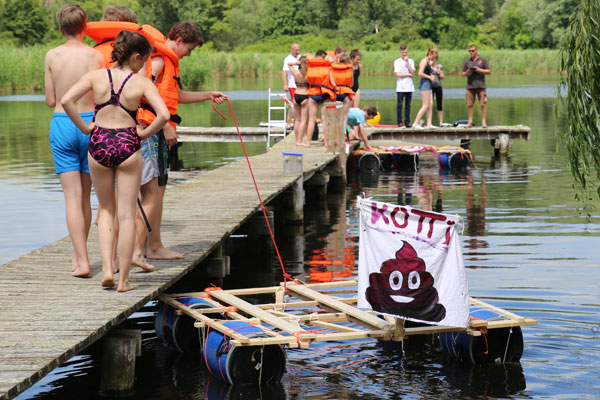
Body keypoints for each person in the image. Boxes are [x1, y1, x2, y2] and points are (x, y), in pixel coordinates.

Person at [61, 31, 169, 292]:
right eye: (143, 61)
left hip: (98, 142)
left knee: (106, 211)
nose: (143, 65)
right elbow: (163, 114)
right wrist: (144, 133)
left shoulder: (96, 76)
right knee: (127, 215)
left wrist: (86, 128)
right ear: (135, 57)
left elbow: (66, 100)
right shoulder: (141, 83)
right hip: (128, 144)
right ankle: (123, 282)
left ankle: (108, 271)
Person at [134, 21, 227, 267]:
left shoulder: (169, 64)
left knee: (159, 191)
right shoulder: (159, 60)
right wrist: (163, 124)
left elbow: (174, 96)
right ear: (178, 40)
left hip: (158, 132)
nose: (188, 54)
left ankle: (153, 246)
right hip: (150, 131)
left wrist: (208, 95)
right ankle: (140, 249)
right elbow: (143, 89)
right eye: (189, 49)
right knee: (150, 192)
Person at [44, 4, 105, 278]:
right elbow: (103, 95)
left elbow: (50, 100)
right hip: (90, 124)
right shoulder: (95, 55)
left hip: (62, 123)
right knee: (85, 196)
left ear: (61, 28)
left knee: (71, 198)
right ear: (85, 26)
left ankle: (81, 259)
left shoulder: (51, 55)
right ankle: (81, 255)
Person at [305, 50, 336, 146]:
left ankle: (308, 142)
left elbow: (307, 81)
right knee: (324, 119)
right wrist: (335, 91)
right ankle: (326, 142)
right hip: (324, 94)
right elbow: (333, 84)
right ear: (323, 57)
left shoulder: (309, 68)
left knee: (311, 120)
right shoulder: (328, 68)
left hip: (313, 94)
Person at [461, 44, 491, 128]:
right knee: (469, 104)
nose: (471, 52)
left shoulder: (483, 60)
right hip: (470, 86)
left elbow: (489, 71)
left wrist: (478, 69)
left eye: (472, 51)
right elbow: (463, 74)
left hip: (481, 86)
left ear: (476, 51)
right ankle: (470, 122)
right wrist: (468, 71)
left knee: (482, 104)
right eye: (469, 51)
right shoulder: (467, 62)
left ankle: (484, 122)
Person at [412, 46, 438, 129]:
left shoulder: (428, 62)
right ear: (429, 53)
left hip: (429, 84)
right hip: (424, 84)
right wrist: (430, 77)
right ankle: (415, 123)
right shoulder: (424, 61)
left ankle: (429, 124)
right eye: (433, 56)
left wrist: (431, 75)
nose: (433, 58)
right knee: (425, 105)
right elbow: (420, 73)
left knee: (430, 104)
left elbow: (427, 71)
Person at [287, 56, 309, 146]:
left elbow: (288, 64)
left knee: (297, 120)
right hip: (305, 95)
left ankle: (297, 140)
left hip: (296, 95)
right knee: (303, 120)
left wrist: (296, 63)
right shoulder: (308, 74)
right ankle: (300, 141)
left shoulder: (296, 73)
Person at [394, 45, 415, 128]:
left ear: (407, 52)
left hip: (409, 86)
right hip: (400, 87)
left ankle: (407, 121)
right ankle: (399, 122)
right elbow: (398, 74)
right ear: (400, 52)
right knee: (399, 104)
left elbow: (413, 72)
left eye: (405, 52)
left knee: (408, 105)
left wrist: (407, 62)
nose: (404, 54)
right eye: (402, 52)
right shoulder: (397, 61)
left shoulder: (411, 61)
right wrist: (408, 74)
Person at [331, 54, 354, 129]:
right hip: (345, 94)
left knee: (334, 116)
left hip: (335, 94)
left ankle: (333, 133)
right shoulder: (349, 70)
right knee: (344, 117)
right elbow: (352, 84)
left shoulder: (333, 69)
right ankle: (344, 135)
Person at [282, 43, 300, 129]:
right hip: (292, 85)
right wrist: (285, 84)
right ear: (292, 49)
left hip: (300, 85)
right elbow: (284, 72)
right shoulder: (287, 59)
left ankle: (296, 122)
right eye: (296, 50)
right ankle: (289, 123)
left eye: (298, 50)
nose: (298, 51)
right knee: (294, 104)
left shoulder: (300, 57)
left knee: (299, 105)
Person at [431, 56, 445, 126]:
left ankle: (441, 122)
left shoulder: (439, 66)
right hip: (430, 87)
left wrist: (440, 74)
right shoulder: (428, 66)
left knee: (439, 104)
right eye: (432, 58)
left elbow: (443, 77)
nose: (433, 60)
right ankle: (429, 122)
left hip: (438, 86)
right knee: (430, 104)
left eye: (434, 58)